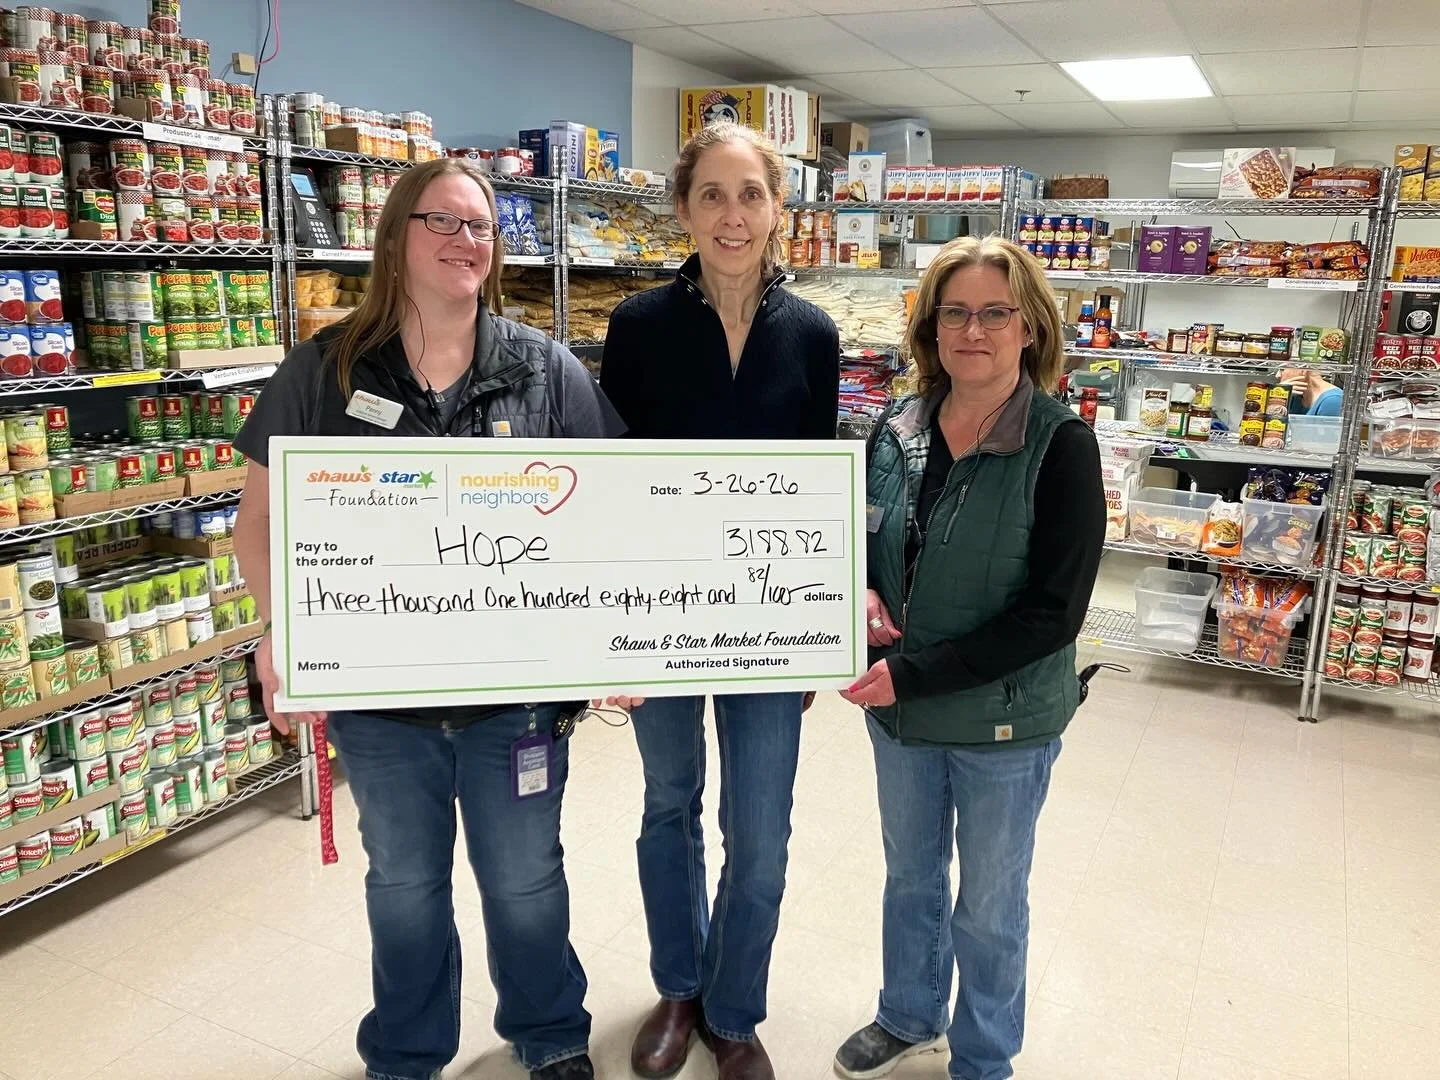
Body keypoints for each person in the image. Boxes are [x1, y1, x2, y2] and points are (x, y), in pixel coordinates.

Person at [231, 157, 626, 1080]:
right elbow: (260, 521)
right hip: (381, 703)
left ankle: (549, 1033)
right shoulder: (324, 371)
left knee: (525, 879)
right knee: (404, 884)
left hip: (517, 699)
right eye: (442, 221)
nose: (465, 240)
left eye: (480, 226)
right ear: (395, 237)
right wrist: (280, 627)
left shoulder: (545, 369)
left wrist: (618, 635)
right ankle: (407, 1053)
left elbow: (613, 511)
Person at [598, 121, 840, 1080]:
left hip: (769, 622)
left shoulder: (812, 334)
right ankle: (679, 985)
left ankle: (734, 1009)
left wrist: (816, 633)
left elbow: (819, 491)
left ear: (778, 209)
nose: (732, 216)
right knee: (669, 804)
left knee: (762, 832)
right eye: (712, 195)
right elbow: (612, 481)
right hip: (659, 615)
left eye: (751, 195)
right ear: (684, 209)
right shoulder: (639, 325)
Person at [832, 235, 1105, 1080]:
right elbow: (857, 542)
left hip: (1002, 722)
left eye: (994, 313)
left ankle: (983, 1058)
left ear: (1030, 327)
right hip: (902, 715)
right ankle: (909, 1014)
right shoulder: (895, 429)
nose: (973, 331)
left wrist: (912, 675)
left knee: (989, 901)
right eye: (954, 313)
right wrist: (858, 592)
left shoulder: (1061, 445)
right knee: (911, 878)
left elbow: (1054, 613)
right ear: (930, 328)